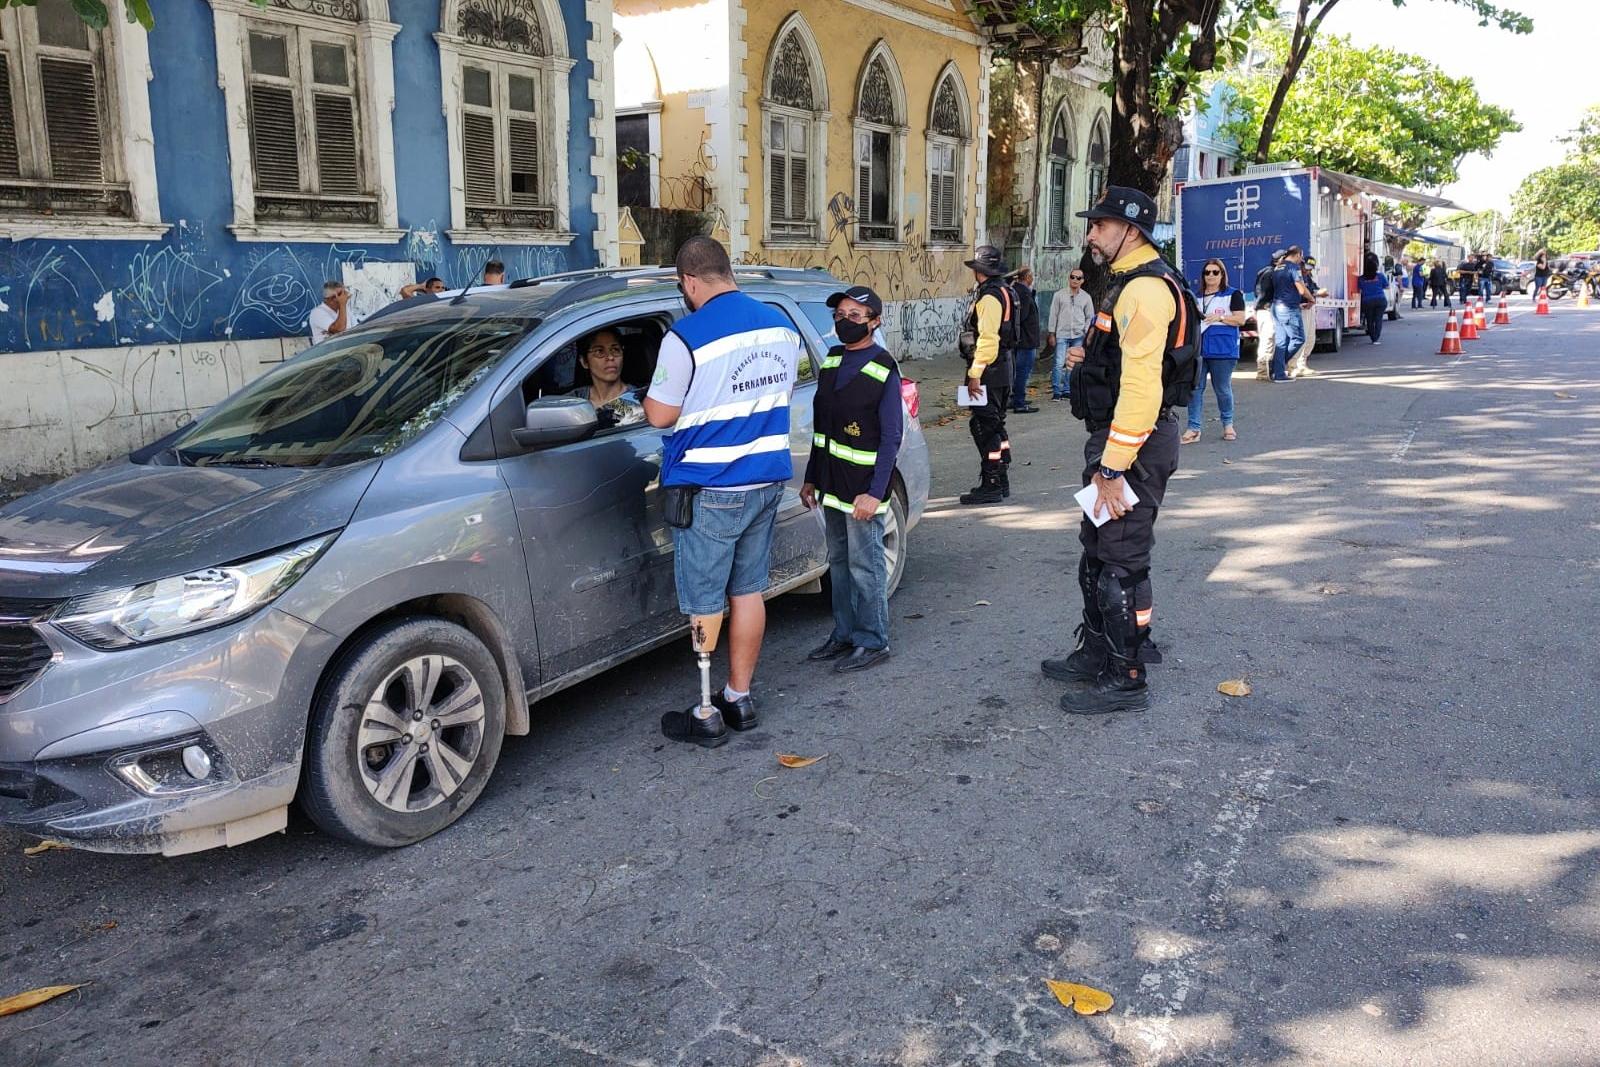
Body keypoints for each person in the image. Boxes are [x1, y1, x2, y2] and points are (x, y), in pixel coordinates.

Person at [643, 237, 801, 747]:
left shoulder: (685, 337)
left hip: (711, 487)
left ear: (689, 282)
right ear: (726, 271)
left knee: (706, 599)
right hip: (766, 479)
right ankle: (739, 696)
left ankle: (706, 712)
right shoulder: (781, 326)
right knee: (748, 590)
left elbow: (659, 415)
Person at [1044, 186, 1193, 715]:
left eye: (1100, 225)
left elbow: (1142, 388)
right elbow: (1122, 361)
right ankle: (1098, 653)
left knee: (1120, 562)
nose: (1091, 234)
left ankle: (1127, 675)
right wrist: (1088, 358)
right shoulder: (1127, 280)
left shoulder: (1146, 289)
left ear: (1130, 229)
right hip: (1119, 439)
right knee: (1097, 550)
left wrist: (1112, 466)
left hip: (1133, 445)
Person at [800, 285, 903, 674]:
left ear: (874, 322)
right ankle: (844, 633)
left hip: (862, 488)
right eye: (840, 315)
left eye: (854, 316)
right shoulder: (831, 359)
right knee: (840, 564)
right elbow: (822, 428)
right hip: (831, 483)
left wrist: (875, 494)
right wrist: (811, 477)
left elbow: (891, 437)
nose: (845, 322)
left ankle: (873, 639)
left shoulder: (883, 366)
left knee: (866, 565)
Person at [957, 245, 1016, 506]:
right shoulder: (1005, 290)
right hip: (1003, 367)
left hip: (989, 370)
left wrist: (975, 374)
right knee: (995, 423)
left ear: (979, 270)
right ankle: (1000, 478)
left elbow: (988, 340)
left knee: (984, 426)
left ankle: (991, 482)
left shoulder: (990, 297)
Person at [1182, 258, 1245, 443]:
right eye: (1207, 272)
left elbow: (1240, 319)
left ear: (1222, 275)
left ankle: (1228, 425)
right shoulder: (1195, 296)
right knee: (1195, 389)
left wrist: (1220, 318)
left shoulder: (1233, 294)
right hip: (1199, 350)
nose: (1210, 275)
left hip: (1223, 350)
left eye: (1215, 272)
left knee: (1222, 389)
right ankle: (1193, 428)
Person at [570, 328, 645, 429]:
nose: (610, 357)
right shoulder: (574, 401)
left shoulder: (639, 399)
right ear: (584, 361)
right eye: (599, 351)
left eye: (615, 350)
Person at [1046, 267, 1095, 401]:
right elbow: (1053, 314)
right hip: (1062, 333)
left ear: (1082, 281)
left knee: (1072, 363)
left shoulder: (1086, 297)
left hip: (1078, 335)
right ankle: (1057, 391)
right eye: (1072, 277)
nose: (1075, 280)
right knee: (1058, 363)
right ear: (1069, 278)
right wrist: (1052, 333)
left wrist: (1085, 331)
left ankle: (1067, 389)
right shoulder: (1059, 295)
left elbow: (1090, 316)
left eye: (1078, 278)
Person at [1268, 246, 1312, 382]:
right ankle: (1277, 367)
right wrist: (1311, 298)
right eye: (1301, 257)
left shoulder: (1278, 267)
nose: (1301, 260)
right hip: (1289, 308)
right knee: (1299, 339)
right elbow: (1301, 289)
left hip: (1276, 308)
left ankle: (1278, 372)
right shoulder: (1293, 268)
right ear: (1298, 254)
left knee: (1281, 341)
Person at [1009, 266, 1042, 414]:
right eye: (1031, 276)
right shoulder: (1023, 293)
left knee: (1020, 370)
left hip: (1023, 338)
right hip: (1026, 339)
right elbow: (1022, 317)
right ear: (1027, 277)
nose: (1032, 278)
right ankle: (1019, 402)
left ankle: (1017, 397)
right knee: (1023, 371)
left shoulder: (1017, 290)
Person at [1252, 249, 1286, 381]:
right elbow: (1264, 293)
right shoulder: (1270, 273)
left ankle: (1266, 371)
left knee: (1269, 339)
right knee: (1268, 339)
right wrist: (1268, 304)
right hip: (1266, 309)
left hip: (1265, 309)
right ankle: (1263, 372)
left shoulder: (1266, 271)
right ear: (1279, 260)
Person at [1290, 255, 1322, 378]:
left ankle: (1302, 364)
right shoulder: (1296, 275)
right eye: (1306, 268)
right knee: (1301, 337)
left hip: (1309, 308)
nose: (1307, 271)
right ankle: (1295, 365)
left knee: (1310, 337)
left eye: (1310, 269)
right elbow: (1300, 292)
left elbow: (1313, 288)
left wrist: (1318, 292)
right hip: (1300, 308)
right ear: (1301, 264)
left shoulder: (1308, 277)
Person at [1357, 252, 1389, 345]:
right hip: (1380, 300)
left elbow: (1359, 289)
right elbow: (1387, 286)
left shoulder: (1361, 278)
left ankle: (1373, 338)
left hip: (1367, 301)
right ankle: (1376, 338)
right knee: (1378, 319)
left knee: (1369, 320)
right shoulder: (1380, 276)